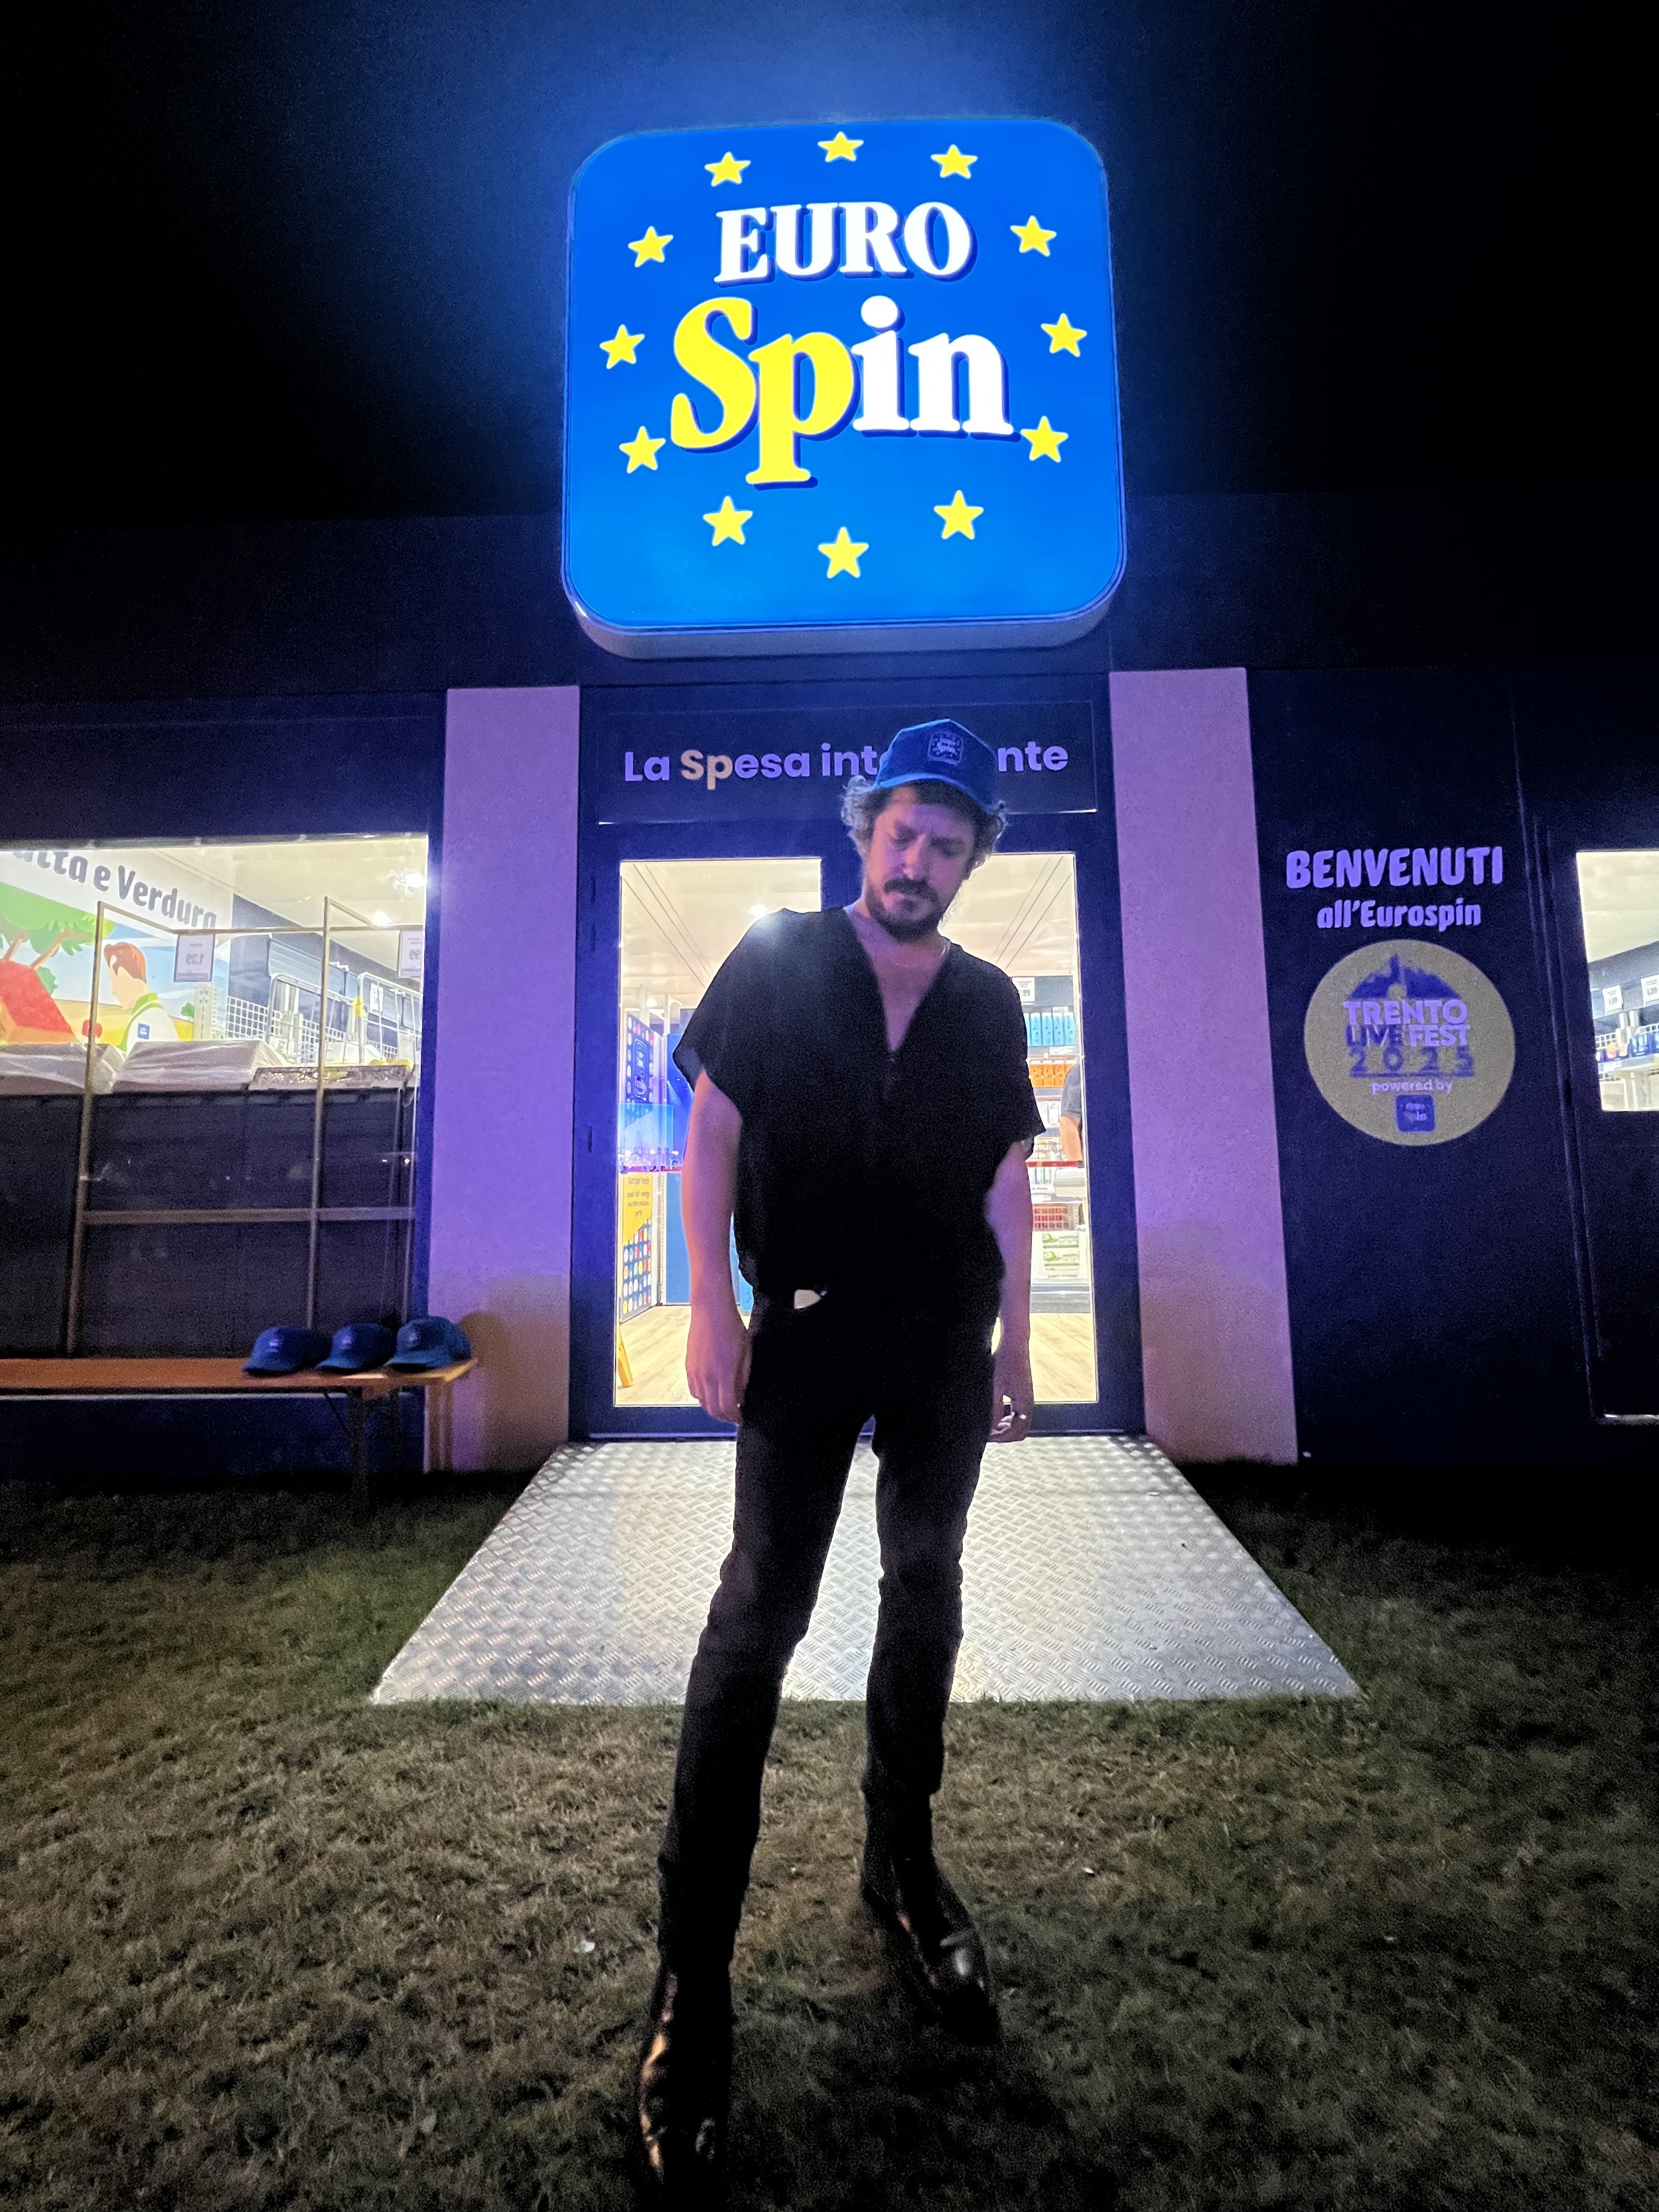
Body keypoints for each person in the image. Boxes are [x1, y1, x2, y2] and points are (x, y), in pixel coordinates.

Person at [634, 720, 1041, 2203]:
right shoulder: (780, 959)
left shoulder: (987, 1001)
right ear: (864, 831)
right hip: (801, 1328)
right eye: (902, 832)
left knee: (923, 1585)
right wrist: (709, 1300)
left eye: (948, 842)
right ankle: (691, 1979)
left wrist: (1017, 1341)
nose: (918, 860)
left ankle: (901, 1862)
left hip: (941, 1340)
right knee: (757, 1618)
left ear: (970, 860)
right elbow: (711, 1130)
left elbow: (1008, 1170)